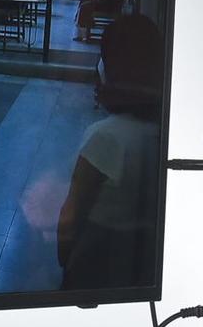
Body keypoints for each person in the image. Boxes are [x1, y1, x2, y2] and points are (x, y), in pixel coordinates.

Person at [58, 14, 164, 289]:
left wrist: (64, 259)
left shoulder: (106, 137)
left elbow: (71, 215)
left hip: (97, 261)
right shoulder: (161, 131)